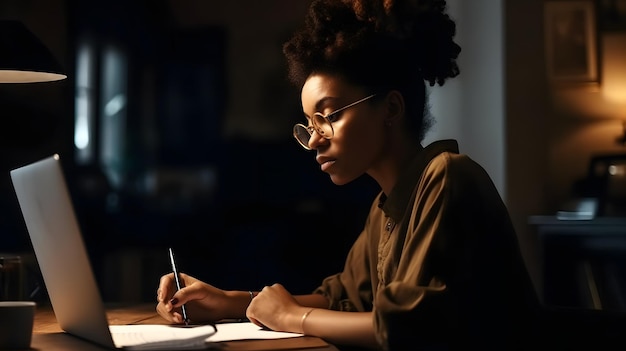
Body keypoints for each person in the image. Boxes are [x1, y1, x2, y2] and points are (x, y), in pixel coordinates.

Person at [156, 0, 542, 349]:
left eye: (330, 116)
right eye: (309, 124)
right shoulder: (386, 206)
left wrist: (292, 317)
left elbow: (410, 328)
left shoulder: (448, 178)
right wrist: (231, 302)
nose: (315, 140)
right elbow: (342, 299)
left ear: (391, 108)